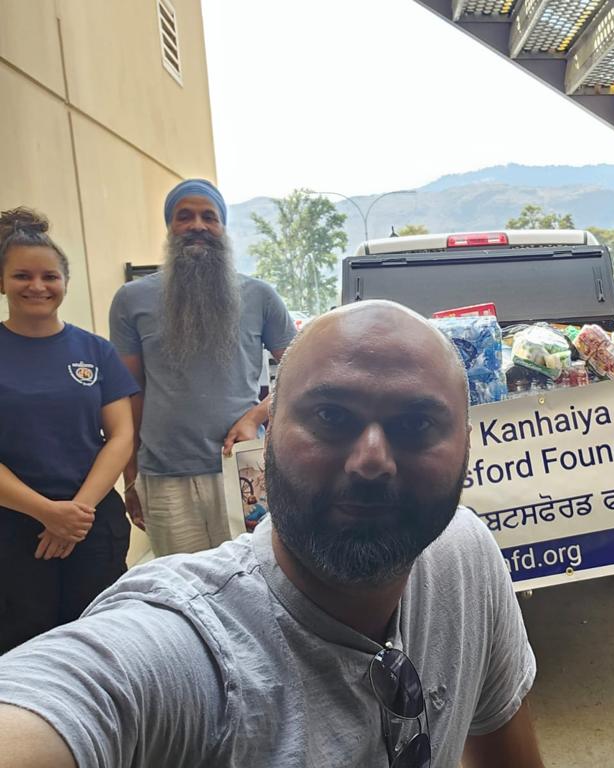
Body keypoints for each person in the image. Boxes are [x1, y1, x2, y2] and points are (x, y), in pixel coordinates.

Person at [0, 300, 543, 768]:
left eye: (416, 424)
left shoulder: (464, 556)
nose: (371, 460)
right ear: (268, 435)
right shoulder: (190, 650)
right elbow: (70, 700)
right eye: (331, 416)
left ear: (467, 444)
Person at [109, 179, 296, 556]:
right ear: (169, 227)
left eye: (209, 217)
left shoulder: (259, 296)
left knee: (255, 574)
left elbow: (306, 369)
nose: (198, 225)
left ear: (223, 227)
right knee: (183, 582)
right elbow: (129, 394)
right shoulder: (132, 300)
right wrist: (131, 477)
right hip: (165, 477)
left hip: (244, 470)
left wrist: (256, 415)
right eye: (185, 216)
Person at [0, 208, 139, 653]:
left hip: (90, 521)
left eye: (50, 276)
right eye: (22, 275)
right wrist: (47, 513)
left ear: (65, 282)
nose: (37, 286)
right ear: (2, 282)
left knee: (99, 643)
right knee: (25, 649)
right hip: (13, 526)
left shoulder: (95, 350)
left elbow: (121, 436)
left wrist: (74, 515)